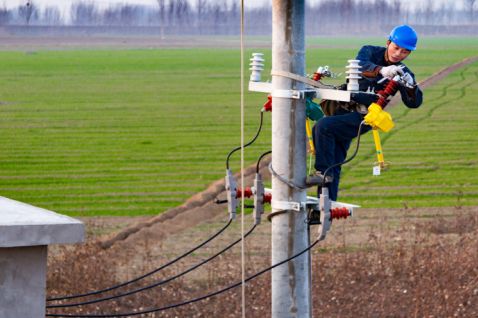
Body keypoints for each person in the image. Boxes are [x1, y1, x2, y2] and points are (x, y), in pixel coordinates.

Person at [308, 25, 423, 201]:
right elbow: (361, 65)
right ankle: (326, 205)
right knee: (335, 158)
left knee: (323, 127)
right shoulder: (369, 51)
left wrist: (411, 86)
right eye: (396, 47)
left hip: (364, 117)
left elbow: (414, 103)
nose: (399, 54)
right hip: (340, 109)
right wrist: (381, 70)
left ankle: (322, 173)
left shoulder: (403, 72)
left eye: (405, 52)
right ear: (388, 42)